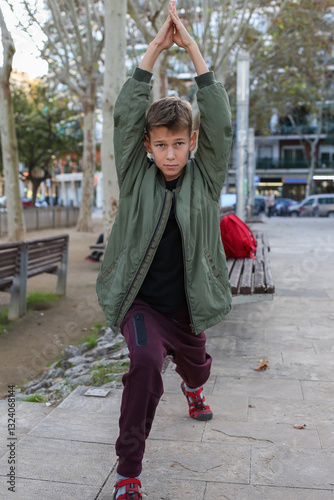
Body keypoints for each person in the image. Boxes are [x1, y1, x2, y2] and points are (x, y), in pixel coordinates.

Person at [96, 2, 233, 498]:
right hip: (143, 305)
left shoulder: (206, 178)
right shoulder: (135, 178)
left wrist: (193, 49)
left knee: (197, 364)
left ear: (191, 142)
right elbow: (124, 116)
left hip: (188, 307)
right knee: (144, 364)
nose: (170, 153)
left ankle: (193, 386)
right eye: (161, 145)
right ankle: (129, 471)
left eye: (178, 143)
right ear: (149, 147)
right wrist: (155, 48)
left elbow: (219, 122)